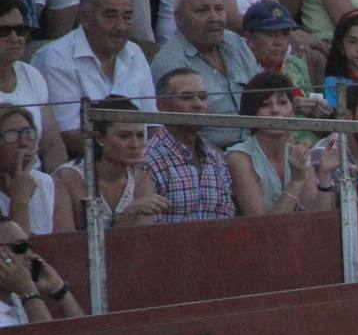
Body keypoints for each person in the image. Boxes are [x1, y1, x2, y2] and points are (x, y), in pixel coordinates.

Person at [33, 0, 156, 157]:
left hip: (136, 161)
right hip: (83, 167)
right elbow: (68, 134)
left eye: (127, 17)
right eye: (111, 16)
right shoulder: (56, 58)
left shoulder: (135, 53)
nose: (121, 26)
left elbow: (152, 124)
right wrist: (123, 156)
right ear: (85, 17)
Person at [151, 0, 263, 148]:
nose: (214, 18)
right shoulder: (170, 64)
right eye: (202, 11)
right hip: (212, 158)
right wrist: (227, 164)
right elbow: (180, 134)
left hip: (259, 145)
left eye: (219, 9)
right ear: (179, 18)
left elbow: (265, 95)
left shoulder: (237, 44)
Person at [226, 72, 341, 215]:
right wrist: (296, 181)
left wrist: (325, 174)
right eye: (265, 104)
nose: (275, 110)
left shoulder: (299, 153)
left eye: (282, 102)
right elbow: (262, 228)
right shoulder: (239, 158)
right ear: (251, 113)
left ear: (293, 111)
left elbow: (317, 218)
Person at [52, 95, 169, 231]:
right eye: (124, 136)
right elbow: (66, 244)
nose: (135, 144)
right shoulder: (67, 179)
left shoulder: (141, 179)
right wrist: (131, 212)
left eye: (140, 135)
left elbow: (141, 241)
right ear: (99, 137)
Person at [141, 68, 238, 221]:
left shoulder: (215, 160)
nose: (198, 104)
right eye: (186, 98)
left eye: (203, 97)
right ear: (162, 106)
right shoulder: (149, 161)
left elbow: (226, 217)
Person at [0, 0, 64, 172]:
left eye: (20, 30)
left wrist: (56, 189)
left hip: (36, 181)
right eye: (4, 31)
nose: (15, 38)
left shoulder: (32, 75)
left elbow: (52, 145)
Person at [242, 0, 329, 120]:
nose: (280, 42)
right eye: (270, 34)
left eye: (285, 33)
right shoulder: (243, 71)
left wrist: (319, 110)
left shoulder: (296, 64)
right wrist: (291, 106)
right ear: (250, 39)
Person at [0, 217, 84, 326]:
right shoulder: (26, 297)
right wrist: (29, 293)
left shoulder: (16, 300)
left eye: (29, 247)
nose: (31, 255)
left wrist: (59, 291)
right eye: (20, 247)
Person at [0, 105, 54, 234]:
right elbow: (17, 249)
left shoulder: (46, 183)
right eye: (11, 135)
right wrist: (19, 201)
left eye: (28, 132)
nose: (24, 142)